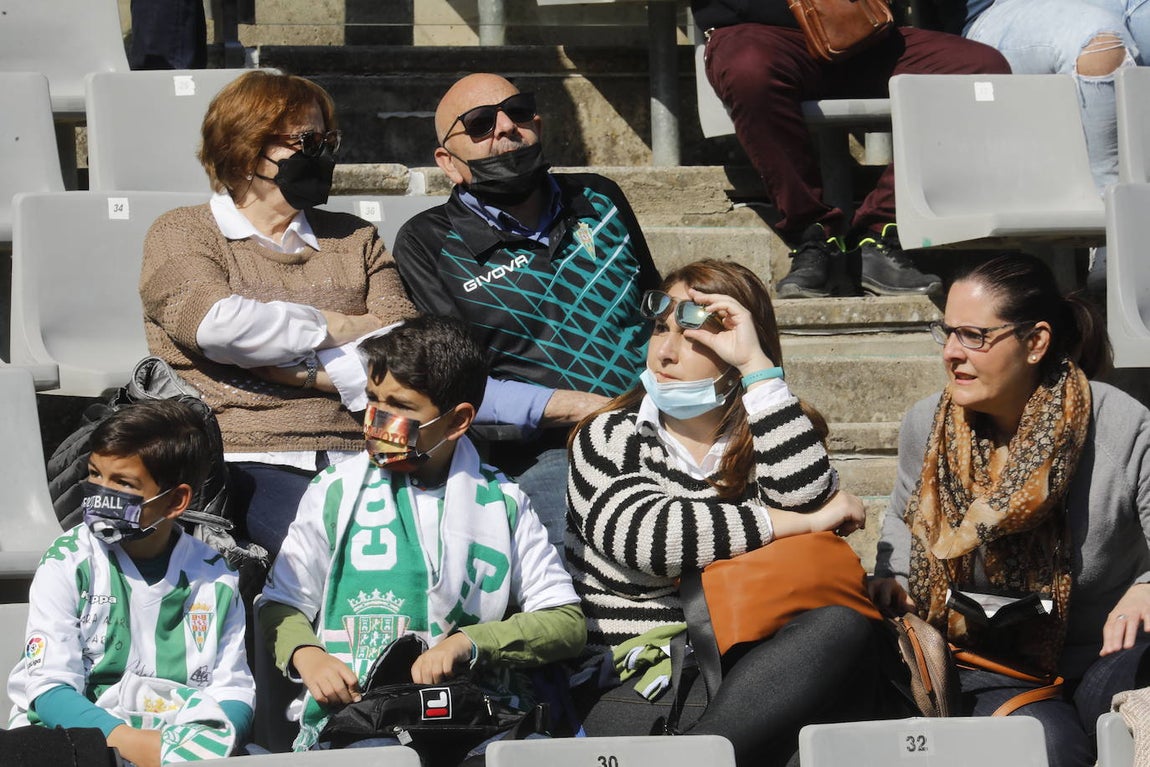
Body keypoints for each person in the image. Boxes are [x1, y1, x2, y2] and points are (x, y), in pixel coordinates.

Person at [566, 259, 879, 766]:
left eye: (693, 336)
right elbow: (649, 538)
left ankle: (692, 760)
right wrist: (799, 526)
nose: (665, 351)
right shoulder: (610, 436)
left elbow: (807, 493)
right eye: (660, 329)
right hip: (646, 672)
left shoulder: (773, 429)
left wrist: (757, 368)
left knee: (840, 629)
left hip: (762, 662)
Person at [869, 253, 1150, 767]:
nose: (952, 353)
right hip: (989, 661)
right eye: (947, 332)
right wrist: (894, 576)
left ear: (1036, 342)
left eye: (973, 336)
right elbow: (903, 520)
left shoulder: (1120, 425)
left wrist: (1147, 586)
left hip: (1105, 654)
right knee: (1047, 749)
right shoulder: (925, 425)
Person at [257, 315, 586, 751]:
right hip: (359, 722)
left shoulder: (504, 500)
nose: (378, 419)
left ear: (457, 421)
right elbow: (280, 603)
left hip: (475, 719)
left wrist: (470, 643)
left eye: (402, 407)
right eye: (374, 399)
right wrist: (309, 656)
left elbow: (565, 622)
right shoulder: (333, 490)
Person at [139, 69, 417, 559]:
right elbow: (220, 327)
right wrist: (351, 327)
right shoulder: (183, 232)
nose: (324, 155)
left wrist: (302, 372)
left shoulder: (354, 236)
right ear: (246, 149)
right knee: (341, 557)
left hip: (374, 447)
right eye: (307, 141)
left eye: (329, 139)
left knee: (448, 543)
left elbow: (407, 351)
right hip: (246, 455)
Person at [391, 72, 662, 550]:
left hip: (662, 424)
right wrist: (585, 408)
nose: (505, 128)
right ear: (448, 163)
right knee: (584, 559)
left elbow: (659, 314)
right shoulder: (428, 242)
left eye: (517, 112)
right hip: (546, 451)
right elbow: (454, 384)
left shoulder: (599, 197)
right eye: (479, 124)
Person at [692, 0, 1011, 298]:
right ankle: (812, 237)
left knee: (981, 69)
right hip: (762, 38)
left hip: (862, 34)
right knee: (749, 69)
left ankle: (880, 232)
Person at [6, 400, 255, 765]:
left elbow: (233, 689)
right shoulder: (67, 561)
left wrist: (209, 743)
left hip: (183, 745)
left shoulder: (216, 576)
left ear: (176, 501)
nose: (101, 493)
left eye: (122, 483)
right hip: (77, 742)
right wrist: (135, 745)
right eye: (95, 475)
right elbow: (49, 687)